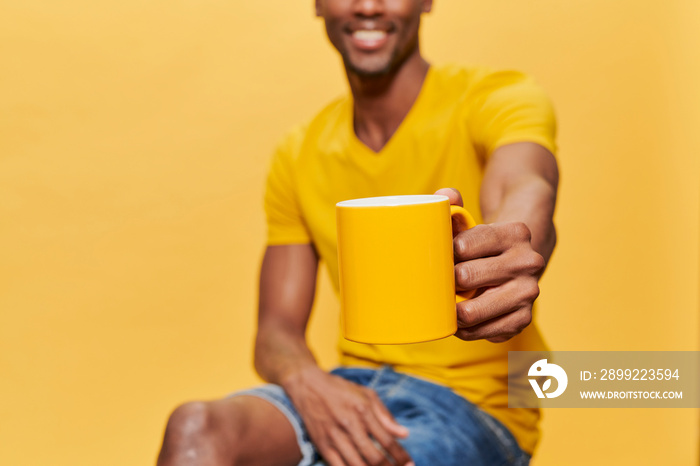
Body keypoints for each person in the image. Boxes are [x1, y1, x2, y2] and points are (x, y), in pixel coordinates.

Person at [157, 0, 558, 464]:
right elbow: (275, 331)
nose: (368, 5)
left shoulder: (498, 96)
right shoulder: (299, 153)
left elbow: (526, 184)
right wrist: (312, 385)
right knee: (196, 429)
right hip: (350, 386)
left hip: (477, 407)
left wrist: (516, 239)